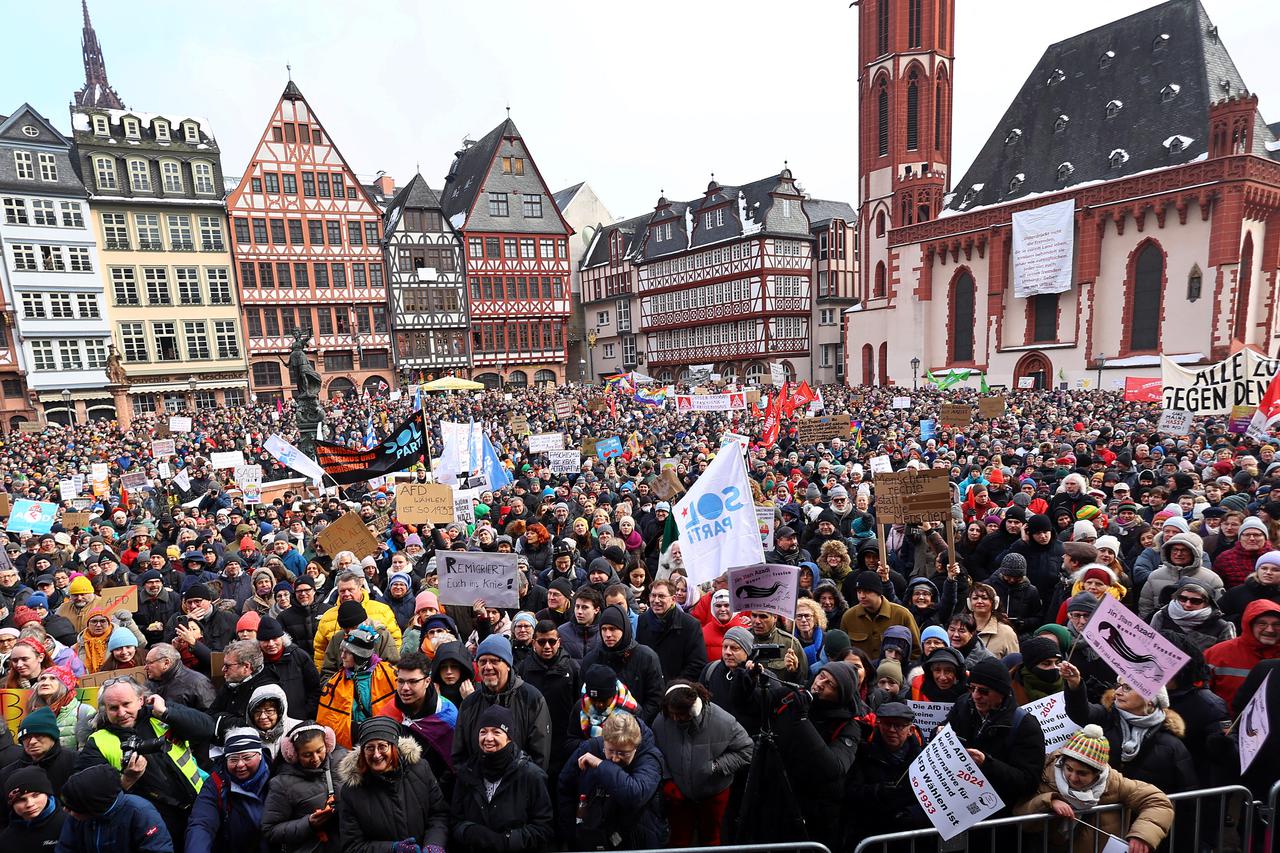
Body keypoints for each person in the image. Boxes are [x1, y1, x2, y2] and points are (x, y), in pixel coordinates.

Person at [75, 677, 212, 848]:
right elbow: (88, 795)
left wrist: (167, 713)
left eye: (126, 704)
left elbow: (207, 729)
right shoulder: (97, 741)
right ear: (105, 710)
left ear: (140, 700)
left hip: (198, 809)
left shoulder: (161, 713)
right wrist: (126, 780)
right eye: (113, 708)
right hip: (151, 824)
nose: (122, 713)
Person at [1013, 724, 1173, 853]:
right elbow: (1020, 815)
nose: (1073, 777)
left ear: (1097, 774)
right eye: (1068, 769)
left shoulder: (1113, 782)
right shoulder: (1047, 772)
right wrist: (1049, 801)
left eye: (1082, 773)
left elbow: (1158, 802)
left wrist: (1142, 836)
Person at [1060, 662, 1197, 794]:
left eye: (1127, 688)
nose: (1117, 692)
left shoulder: (1171, 744)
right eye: (1118, 686)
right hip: (1102, 810)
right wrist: (1075, 684)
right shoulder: (1105, 717)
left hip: (1144, 813)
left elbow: (1187, 792)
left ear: (1150, 700)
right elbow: (1080, 713)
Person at [651, 680, 752, 846]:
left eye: (680, 714)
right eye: (672, 713)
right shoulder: (663, 720)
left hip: (713, 794)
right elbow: (656, 752)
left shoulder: (723, 721)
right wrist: (667, 780)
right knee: (678, 841)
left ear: (692, 709)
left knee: (711, 840)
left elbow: (747, 750)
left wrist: (716, 766)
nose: (675, 718)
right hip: (678, 794)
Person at [942, 658, 1045, 812]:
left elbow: (1028, 782)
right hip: (957, 799)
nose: (976, 696)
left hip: (997, 811)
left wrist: (987, 763)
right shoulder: (963, 703)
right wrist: (939, 733)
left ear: (1001, 693)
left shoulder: (1025, 725)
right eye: (972, 688)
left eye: (984, 691)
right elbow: (944, 728)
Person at [449, 705, 555, 853]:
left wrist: (507, 841)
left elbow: (544, 828)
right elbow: (454, 821)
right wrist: (470, 831)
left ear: (509, 737)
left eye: (496, 732)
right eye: (483, 732)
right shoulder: (467, 773)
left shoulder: (532, 776)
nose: (488, 738)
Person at [556, 711, 667, 849]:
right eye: (611, 751)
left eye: (623, 753)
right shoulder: (590, 748)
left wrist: (601, 765)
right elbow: (565, 786)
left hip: (635, 842)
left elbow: (635, 794)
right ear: (604, 740)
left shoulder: (650, 759)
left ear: (635, 747)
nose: (615, 758)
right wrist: (571, 832)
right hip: (590, 838)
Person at [337, 716, 448, 853]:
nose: (376, 754)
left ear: (393, 747)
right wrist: (393, 849)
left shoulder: (420, 770)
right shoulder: (351, 791)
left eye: (382, 747)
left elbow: (438, 815)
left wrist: (434, 843)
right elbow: (352, 846)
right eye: (370, 748)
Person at [452, 635, 553, 772]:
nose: (487, 667)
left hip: (519, 786)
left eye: (494, 661)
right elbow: (460, 755)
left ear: (508, 665)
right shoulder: (469, 703)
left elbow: (539, 756)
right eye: (482, 661)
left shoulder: (532, 699)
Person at [844, 701, 929, 846]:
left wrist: (913, 814)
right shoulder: (863, 754)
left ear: (910, 729)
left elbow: (934, 798)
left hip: (910, 838)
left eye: (899, 725)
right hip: (873, 836)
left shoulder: (924, 759)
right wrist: (877, 791)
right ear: (878, 725)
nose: (891, 730)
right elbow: (851, 792)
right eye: (886, 724)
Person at [261, 721, 349, 853]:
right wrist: (308, 824)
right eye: (307, 755)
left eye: (319, 750)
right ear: (292, 754)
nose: (315, 758)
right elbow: (270, 830)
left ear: (328, 744)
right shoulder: (282, 784)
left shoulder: (344, 761)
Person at [185, 728, 271, 853]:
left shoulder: (277, 777)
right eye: (233, 759)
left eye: (247, 757)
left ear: (259, 755)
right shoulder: (216, 783)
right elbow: (202, 823)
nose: (240, 764)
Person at [380, 651, 457, 787]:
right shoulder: (389, 711)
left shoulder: (447, 715)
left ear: (427, 681)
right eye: (401, 681)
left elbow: (453, 764)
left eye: (413, 682)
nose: (405, 688)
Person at [57, 764, 174, 853]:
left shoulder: (140, 812)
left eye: (73, 808)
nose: (66, 811)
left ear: (94, 809)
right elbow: (65, 848)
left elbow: (157, 849)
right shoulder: (76, 819)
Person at [316, 625, 398, 750]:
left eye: (347, 653)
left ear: (360, 656)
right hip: (351, 744)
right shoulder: (336, 681)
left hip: (384, 739)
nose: (342, 656)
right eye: (341, 651)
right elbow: (327, 719)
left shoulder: (388, 674)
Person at [582, 604, 665, 723]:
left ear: (624, 628)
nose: (608, 634)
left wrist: (636, 723)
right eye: (604, 629)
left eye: (613, 629)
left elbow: (655, 699)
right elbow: (584, 699)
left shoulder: (646, 657)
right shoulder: (592, 659)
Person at [516, 620, 580, 770]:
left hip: (564, 738)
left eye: (551, 642)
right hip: (533, 739)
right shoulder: (523, 669)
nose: (547, 646)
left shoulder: (572, 669)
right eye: (542, 642)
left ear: (559, 642)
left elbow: (579, 705)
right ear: (533, 643)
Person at [311, 571, 402, 671]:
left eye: (350, 590)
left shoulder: (382, 610)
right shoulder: (328, 616)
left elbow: (396, 642)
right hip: (342, 680)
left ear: (360, 588)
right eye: (342, 591)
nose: (346, 594)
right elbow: (320, 651)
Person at [1204, 599, 1280, 706]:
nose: (1270, 630)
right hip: (1229, 720)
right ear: (1249, 625)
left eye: (1277, 624)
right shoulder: (1217, 654)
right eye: (1262, 624)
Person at [635, 579, 707, 682]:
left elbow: (697, 664)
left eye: (661, 596)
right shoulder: (643, 620)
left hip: (676, 691)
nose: (656, 600)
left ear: (673, 599)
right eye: (653, 595)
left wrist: (673, 686)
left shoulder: (690, 625)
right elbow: (640, 656)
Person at [208, 639, 280, 741]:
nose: (223, 669)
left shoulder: (266, 691)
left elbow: (254, 726)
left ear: (246, 666)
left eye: (228, 666)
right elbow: (210, 716)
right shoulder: (231, 682)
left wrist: (221, 719)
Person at [840, 570, 920, 661]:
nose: (861, 596)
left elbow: (916, 651)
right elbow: (844, 652)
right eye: (859, 591)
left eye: (867, 591)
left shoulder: (902, 615)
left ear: (879, 592)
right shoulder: (849, 617)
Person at [257, 616, 321, 720]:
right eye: (266, 640)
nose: (271, 644)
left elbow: (315, 688)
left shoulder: (299, 656)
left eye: (274, 639)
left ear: (282, 638)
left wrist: (307, 712)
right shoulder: (256, 662)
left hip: (299, 719)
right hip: (267, 722)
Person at [1148, 576, 1235, 653]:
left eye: (1196, 601)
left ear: (1207, 603)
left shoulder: (1222, 627)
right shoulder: (1161, 616)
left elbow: (1226, 657)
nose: (1187, 604)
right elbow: (1148, 646)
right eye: (1182, 599)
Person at [27, 665, 93, 750]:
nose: (45, 683)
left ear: (66, 684)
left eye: (53, 678)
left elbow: (88, 751)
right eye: (42, 679)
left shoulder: (84, 711)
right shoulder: (33, 713)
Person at [0, 766, 65, 846]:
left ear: (47, 794)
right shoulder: (6, 839)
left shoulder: (69, 825)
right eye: (21, 800)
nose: (30, 804)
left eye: (35, 795)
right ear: (11, 804)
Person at [143, 643, 216, 713]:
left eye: (149, 663)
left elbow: (208, 718)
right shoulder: (151, 682)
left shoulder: (198, 683)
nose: (145, 667)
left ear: (166, 663)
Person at [1219, 549, 1280, 628]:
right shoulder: (1236, 593)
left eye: (1275, 570)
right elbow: (1217, 617)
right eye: (1264, 568)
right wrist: (1241, 619)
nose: (1268, 572)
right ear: (1257, 570)